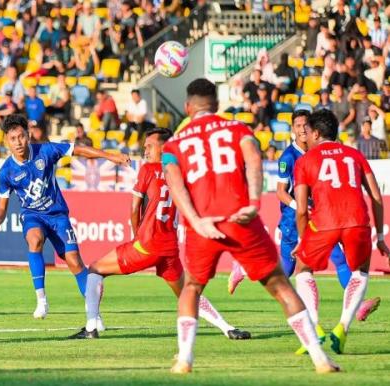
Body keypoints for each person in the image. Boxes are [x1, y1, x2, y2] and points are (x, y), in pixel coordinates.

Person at [162, 78, 339, 374]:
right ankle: (320, 359)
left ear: (187, 107)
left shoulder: (175, 143)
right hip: (240, 218)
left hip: (203, 225)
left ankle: (184, 360)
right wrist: (254, 201)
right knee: (281, 285)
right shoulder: (236, 128)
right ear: (216, 105)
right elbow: (254, 159)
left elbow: (172, 178)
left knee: (191, 287)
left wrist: (194, 220)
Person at [72, 128, 249, 340]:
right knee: (187, 292)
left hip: (147, 244)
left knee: (94, 270)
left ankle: (92, 327)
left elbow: (134, 207)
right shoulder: (180, 172)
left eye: (149, 146)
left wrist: (137, 236)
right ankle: (227, 328)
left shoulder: (148, 169)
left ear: (163, 148)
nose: (145, 150)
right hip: (169, 247)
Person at [0, 114, 130, 319]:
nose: (18, 142)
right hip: (33, 216)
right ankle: (42, 300)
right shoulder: (6, 172)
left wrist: (110, 156)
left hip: (57, 215)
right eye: (13, 139)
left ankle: (94, 317)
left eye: (21, 137)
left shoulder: (45, 151)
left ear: (28, 136)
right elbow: (2, 206)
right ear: (6, 142)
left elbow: (78, 149)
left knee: (74, 262)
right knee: (34, 239)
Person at [293, 109, 390, 355]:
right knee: (361, 271)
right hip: (357, 221)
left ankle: (314, 326)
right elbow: (376, 197)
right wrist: (379, 237)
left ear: (315, 133)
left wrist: (303, 238)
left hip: (323, 222)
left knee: (303, 269)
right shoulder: (355, 154)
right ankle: (343, 327)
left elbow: (302, 209)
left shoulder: (305, 160)